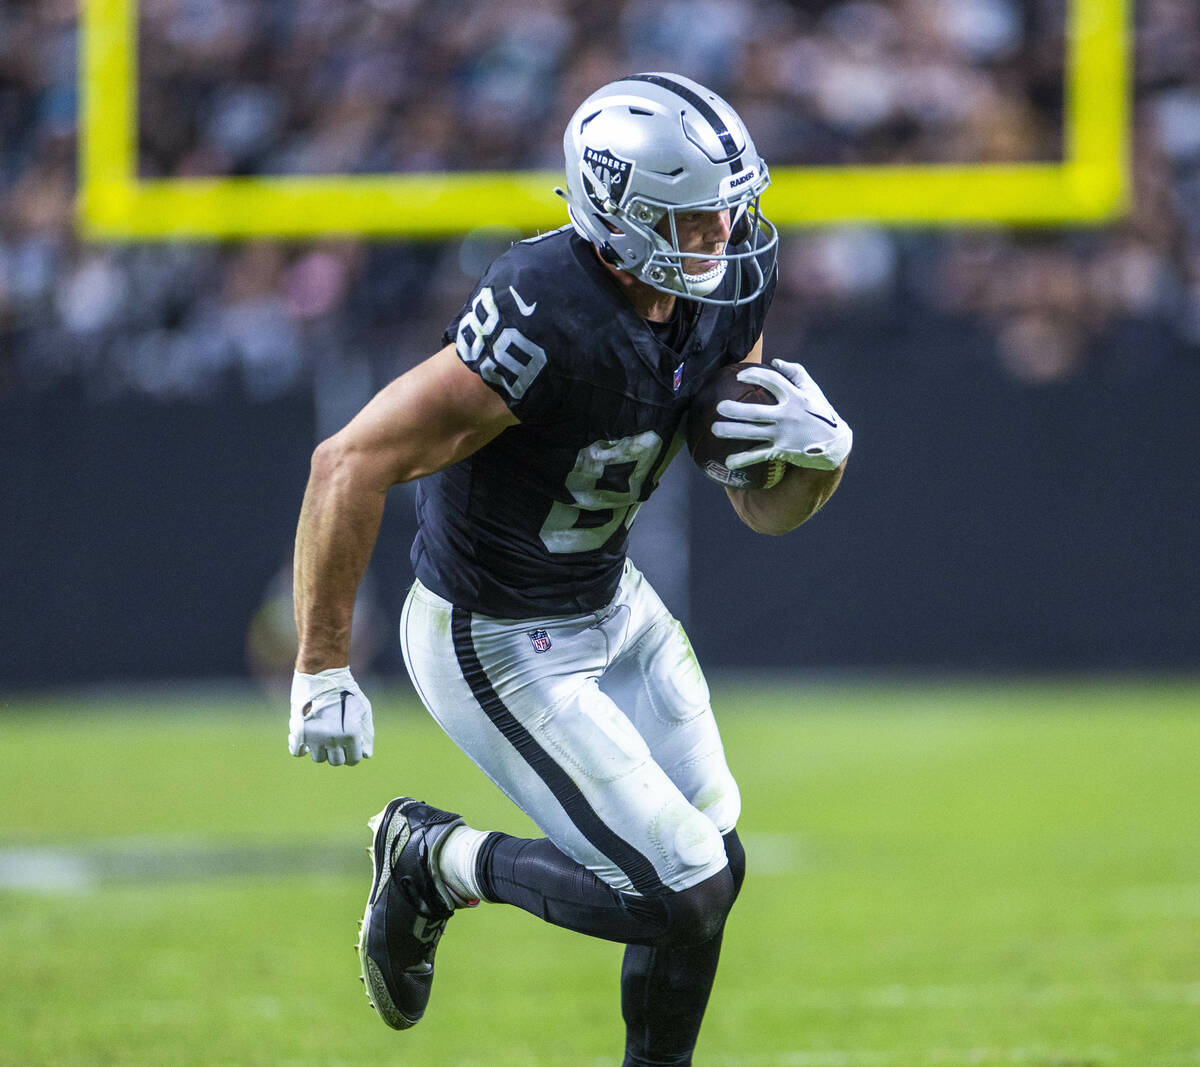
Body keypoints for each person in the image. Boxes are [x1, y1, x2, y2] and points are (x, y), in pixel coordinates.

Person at [287, 72, 852, 1066]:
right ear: (619, 212)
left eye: (727, 208)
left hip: (609, 600)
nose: (723, 235)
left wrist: (815, 468)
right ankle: (434, 857)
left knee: (710, 865)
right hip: (493, 631)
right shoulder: (546, 310)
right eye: (692, 217)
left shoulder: (728, 288)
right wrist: (322, 662)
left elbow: (757, 508)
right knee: (677, 884)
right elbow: (351, 458)